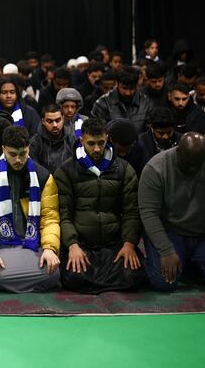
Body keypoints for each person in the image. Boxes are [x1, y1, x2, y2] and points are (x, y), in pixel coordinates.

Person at [53, 117, 145, 293]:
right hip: (82, 244)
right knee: (74, 277)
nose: (96, 148)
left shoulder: (124, 169)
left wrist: (129, 244)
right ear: (82, 141)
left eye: (101, 143)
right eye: (91, 143)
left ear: (107, 138)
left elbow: (131, 212)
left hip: (113, 243)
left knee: (135, 275)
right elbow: (63, 215)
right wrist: (72, 245)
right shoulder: (65, 172)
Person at [138, 132, 205, 291]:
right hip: (169, 232)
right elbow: (149, 213)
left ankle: (189, 263)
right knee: (163, 283)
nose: (191, 168)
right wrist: (166, 251)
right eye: (187, 163)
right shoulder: (155, 167)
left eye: (196, 164)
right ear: (177, 150)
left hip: (204, 234)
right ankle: (155, 260)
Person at [0, 126, 61, 293]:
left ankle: (15, 281)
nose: (18, 160)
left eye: (23, 154)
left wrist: (49, 248)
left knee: (53, 274)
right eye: (12, 155)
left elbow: (50, 219)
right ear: (3, 149)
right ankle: (28, 282)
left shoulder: (43, 177)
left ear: (29, 149)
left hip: (32, 243)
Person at [92, 68, 154, 134]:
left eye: (131, 88)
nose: (128, 93)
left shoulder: (146, 103)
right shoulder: (103, 103)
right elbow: (98, 133)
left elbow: (149, 132)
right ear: (117, 84)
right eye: (124, 88)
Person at [28, 103, 74, 174]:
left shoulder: (71, 139)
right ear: (43, 121)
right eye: (50, 121)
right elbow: (34, 170)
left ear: (63, 119)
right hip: (45, 182)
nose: (55, 125)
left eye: (58, 120)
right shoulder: (35, 143)